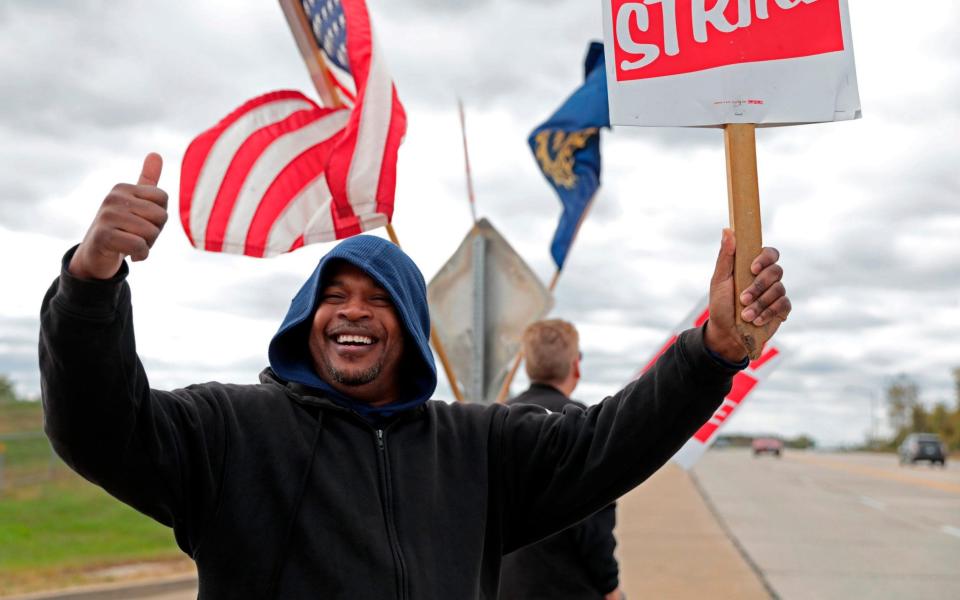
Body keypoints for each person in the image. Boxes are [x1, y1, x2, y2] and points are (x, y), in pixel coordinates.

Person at [39, 153, 791, 599]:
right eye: (333, 298)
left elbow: (606, 445)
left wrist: (711, 352)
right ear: (308, 318)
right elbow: (98, 427)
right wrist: (91, 279)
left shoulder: (476, 448)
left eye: (376, 301)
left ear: (407, 326)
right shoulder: (228, 432)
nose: (350, 314)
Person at [501, 319, 622, 600]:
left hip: (505, 586)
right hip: (570, 587)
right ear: (575, 366)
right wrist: (610, 585)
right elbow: (592, 522)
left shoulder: (495, 421)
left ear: (528, 367)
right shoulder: (582, 425)